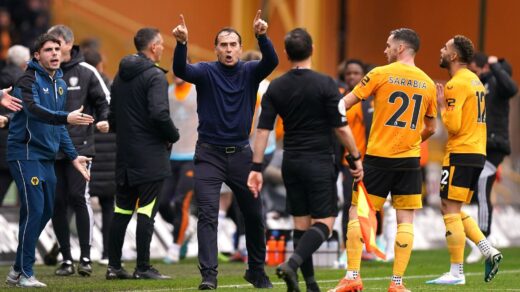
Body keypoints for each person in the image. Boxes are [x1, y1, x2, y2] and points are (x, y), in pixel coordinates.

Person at [247, 28, 363, 292]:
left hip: (291, 161)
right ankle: (293, 264)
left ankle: (309, 285)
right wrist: (355, 157)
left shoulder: (276, 86)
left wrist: (256, 167)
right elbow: (342, 128)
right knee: (325, 223)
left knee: (301, 224)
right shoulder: (325, 84)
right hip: (319, 161)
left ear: (286, 53)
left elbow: (262, 130)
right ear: (312, 48)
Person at [172, 10, 278, 290]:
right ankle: (209, 276)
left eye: (233, 45)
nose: (229, 49)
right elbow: (181, 70)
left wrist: (262, 36)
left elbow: (272, 61)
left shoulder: (250, 71)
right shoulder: (206, 71)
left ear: (241, 49)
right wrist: (182, 44)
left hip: (242, 154)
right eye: (223, 45)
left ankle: (256, 270)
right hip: (209, 155)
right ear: (216, 48)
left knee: (254, 214)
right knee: (208, 214)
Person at [330, 28, 437, 292]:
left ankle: (352, 276)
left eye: (388, 45)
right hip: (410, 162)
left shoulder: (379, 73)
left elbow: (343, 104)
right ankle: (397, 284)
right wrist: (413, 141)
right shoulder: (427, 83)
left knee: (357, 213)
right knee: (405, 221)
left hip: (377, 159)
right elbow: (432, 128)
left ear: (400, 48)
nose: (385, 49)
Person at [4, 33, 93, 288]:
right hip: (25, 153)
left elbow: (59, 128)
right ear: (36, 55)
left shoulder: (60, 84)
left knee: (44, 212)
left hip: (47, 157)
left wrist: (74, 156)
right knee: (34, 211)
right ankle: (26, 273)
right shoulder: (27, 80)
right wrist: (65, 117)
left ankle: (18, 269)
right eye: (48, 50)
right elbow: (35, 111)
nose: (54, 53)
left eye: (57, 49)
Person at [426, 35, 502, 286]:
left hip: (461, 151)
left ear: (454, 56)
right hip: (476, 151)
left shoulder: (455, 84)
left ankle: (456, 272)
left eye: (445, 48)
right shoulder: (476, 81)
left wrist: (440, 106)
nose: (441, 50)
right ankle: (488, 250)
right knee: (452, 209)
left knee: (448, 208)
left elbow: (454, 125)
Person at [106, 27, 179, 280]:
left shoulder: (119, 74)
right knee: (147, 211)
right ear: (153, 46)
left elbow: (112, 117)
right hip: (149, 157)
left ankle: (114, 267)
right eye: (161, 44)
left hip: (125, 156)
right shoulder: (155, 77)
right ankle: (143, 267)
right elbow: (159, 113)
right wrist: (173, 135)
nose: (162, 48)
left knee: (122, 211)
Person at [46, 24, 110, 277]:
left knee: (79, 198)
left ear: (68, 45)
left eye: (55, 44)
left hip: (80, 148)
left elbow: (105, 101)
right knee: (57, 203)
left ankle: (85, 257)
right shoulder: (43, 73)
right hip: (51, 149)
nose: (51, 50)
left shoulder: (86, 71)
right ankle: (66, 259)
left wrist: (104, 119)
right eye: (48, 46)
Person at [465, 52, 518, 263]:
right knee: (473, 190)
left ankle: (484, 239)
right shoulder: (482, 84)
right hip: (480, 144)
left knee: (482, 181)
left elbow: (511, 88)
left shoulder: (499, 81)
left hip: (496, 144)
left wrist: (495, 66)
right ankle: (483, 238)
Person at [158, 60, 198, 264]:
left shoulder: (199, 91)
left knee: (182, 201)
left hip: (192, 157)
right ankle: (185, 227)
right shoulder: (167, 92)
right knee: (163, 202)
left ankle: (175, 247)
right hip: (170, 156)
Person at [0, 45, 30, 205]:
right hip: (20, 146)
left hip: (2, 146)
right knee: (29, 199)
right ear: (25, 63)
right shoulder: (26, 82)